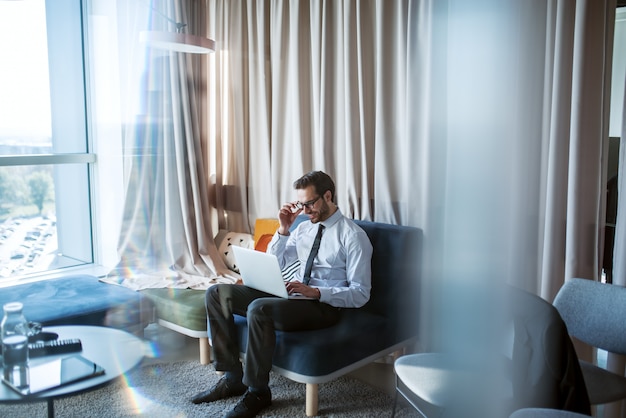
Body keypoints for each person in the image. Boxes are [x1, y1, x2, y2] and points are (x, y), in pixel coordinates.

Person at [192, 170, 373, 418]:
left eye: (310, 203)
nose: (305, 211)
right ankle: (232, 377)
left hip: (323, 306)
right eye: (301, 204)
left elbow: (361, 293)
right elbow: (276, 261)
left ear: (328, 196)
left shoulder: (352, 236)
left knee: (259, 308)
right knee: (217, 293)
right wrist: (284, 229)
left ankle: (258, 392)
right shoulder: (302, 228)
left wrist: (317, 291)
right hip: (292, 296)